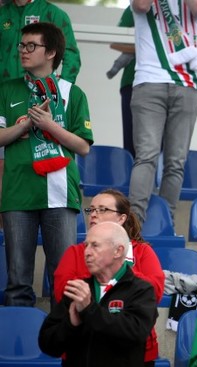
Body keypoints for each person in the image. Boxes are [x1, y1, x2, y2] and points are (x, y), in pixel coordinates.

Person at [0, 22, 93, 306]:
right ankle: (17, 346)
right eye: (21, 45)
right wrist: (26, 125)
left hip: (60, 193)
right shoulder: (7, 90)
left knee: (63, 279)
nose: (23, 52)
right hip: (17, 193)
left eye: (31, 46)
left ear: (51, 52)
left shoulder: (72, 93)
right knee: (17, 281)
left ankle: (62, 345)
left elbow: (83, 146)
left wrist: (49, 125)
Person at [54, 189, 164, 367]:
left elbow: (154, 293)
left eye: (103, 209)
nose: (94, 214)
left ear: (121, 218)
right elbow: (64, 294)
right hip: (83, 349)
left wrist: (118, 269)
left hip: (133, 352)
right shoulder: (75, 252)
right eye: (91, 210)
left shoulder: (142, 251)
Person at [129, 0, 197, 223]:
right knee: (146, 156)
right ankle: (135, 224)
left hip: (188, 84)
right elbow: (141, 6)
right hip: (149, 81)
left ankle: (166, 221)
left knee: (175, 162)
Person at [39, 222, 158, 367]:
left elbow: (134, 333)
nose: (87, 252)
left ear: (118, 251)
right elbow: (47, 344)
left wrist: (89, 310)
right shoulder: (78, 289)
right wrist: (71, 325)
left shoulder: (141, 290)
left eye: (95, 245)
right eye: (86, 245)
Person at [107, 6, 136, 157]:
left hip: (172, 82)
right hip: (133, 82)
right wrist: (147, 47)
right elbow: (115, 41)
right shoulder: (135, 6)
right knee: (133, 145)